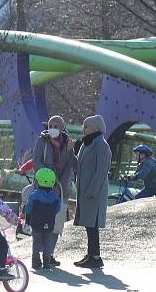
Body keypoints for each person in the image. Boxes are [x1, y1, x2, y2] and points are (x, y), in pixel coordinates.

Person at [31, 115, 75, 265]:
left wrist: (70, 151)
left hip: (62, 188)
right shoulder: (42, 141)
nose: (53, 128)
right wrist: (48, 178)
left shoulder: (68, 143)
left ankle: (49, 254)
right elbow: (37, 161)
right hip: (44, 187)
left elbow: (71, 165)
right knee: (40, 221)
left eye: (56, 126)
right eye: (51, 125)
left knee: (56, 224)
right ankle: (38, 255)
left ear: (62, 128)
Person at [73, 115, 111, 269]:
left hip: (93, 192)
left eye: (86, 126)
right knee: (89, 224)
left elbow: (101, 171)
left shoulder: (101, 145)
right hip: (86, 190)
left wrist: (92, 190)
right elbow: (81, 166)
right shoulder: (87, 144)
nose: (83, 129)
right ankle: (91, 254)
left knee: (92, 224)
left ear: (96, 127)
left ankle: (95, 256)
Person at [24, 168, 61, 270]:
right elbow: (57, 209)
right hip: (49, 223)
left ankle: (36, 262)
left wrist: (27, 221)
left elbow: (28, 209)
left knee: (36, 242)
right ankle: (47, 262)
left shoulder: (34, 195)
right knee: (47, 242)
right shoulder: (55, 196)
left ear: (37, 181)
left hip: (36, 223)